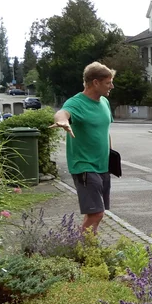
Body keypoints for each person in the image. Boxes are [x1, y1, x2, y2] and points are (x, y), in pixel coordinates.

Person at [51, 61, 115, 234]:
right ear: (95, 82)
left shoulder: (104, 103)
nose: (112, 86)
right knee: (97, 213)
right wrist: (62, 121)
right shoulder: (77, 103)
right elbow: (63, 113)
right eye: (108, 83)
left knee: (93, 212)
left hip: (102, 165)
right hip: (84, 165)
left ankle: (88, 248)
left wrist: (110, 155)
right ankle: (80, 247)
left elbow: (105, 130)